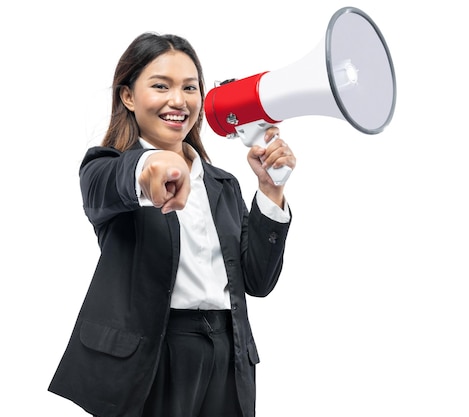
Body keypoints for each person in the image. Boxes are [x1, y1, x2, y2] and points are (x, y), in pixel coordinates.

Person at [48, 32, 296, 417]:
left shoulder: (223, 185)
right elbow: (111, 184)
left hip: (227, 353)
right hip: (155, 352)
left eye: (190, 88)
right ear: (128, 96)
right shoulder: (105, 168)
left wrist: (269, 191)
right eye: (161, 86)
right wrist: (150, 167)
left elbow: (259, 281)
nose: (178, 100)